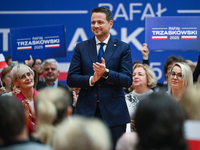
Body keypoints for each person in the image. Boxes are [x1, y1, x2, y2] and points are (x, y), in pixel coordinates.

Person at [67, 7, 132, 148]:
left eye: (100, 22)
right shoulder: (81, 47)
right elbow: (71, 78)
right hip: (86, 113)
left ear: (110, 23)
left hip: (114, 114)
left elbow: (127, 79)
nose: (95, 26)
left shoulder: (123, 47)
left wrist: (106, 73)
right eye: (93, 22)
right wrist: (92, 79)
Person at [125, 63, 157, 131]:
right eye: (133, 75)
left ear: (148, 77)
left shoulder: (156, 98)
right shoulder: (125, 99)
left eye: (140, 74)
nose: (136, 77)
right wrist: (127, 124)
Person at [10, 64, 38, 133]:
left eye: (29, 74)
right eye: (22, 77)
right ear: (15, 83)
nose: (28, 78)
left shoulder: (44, 97)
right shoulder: (13, 103)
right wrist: (26, 119)